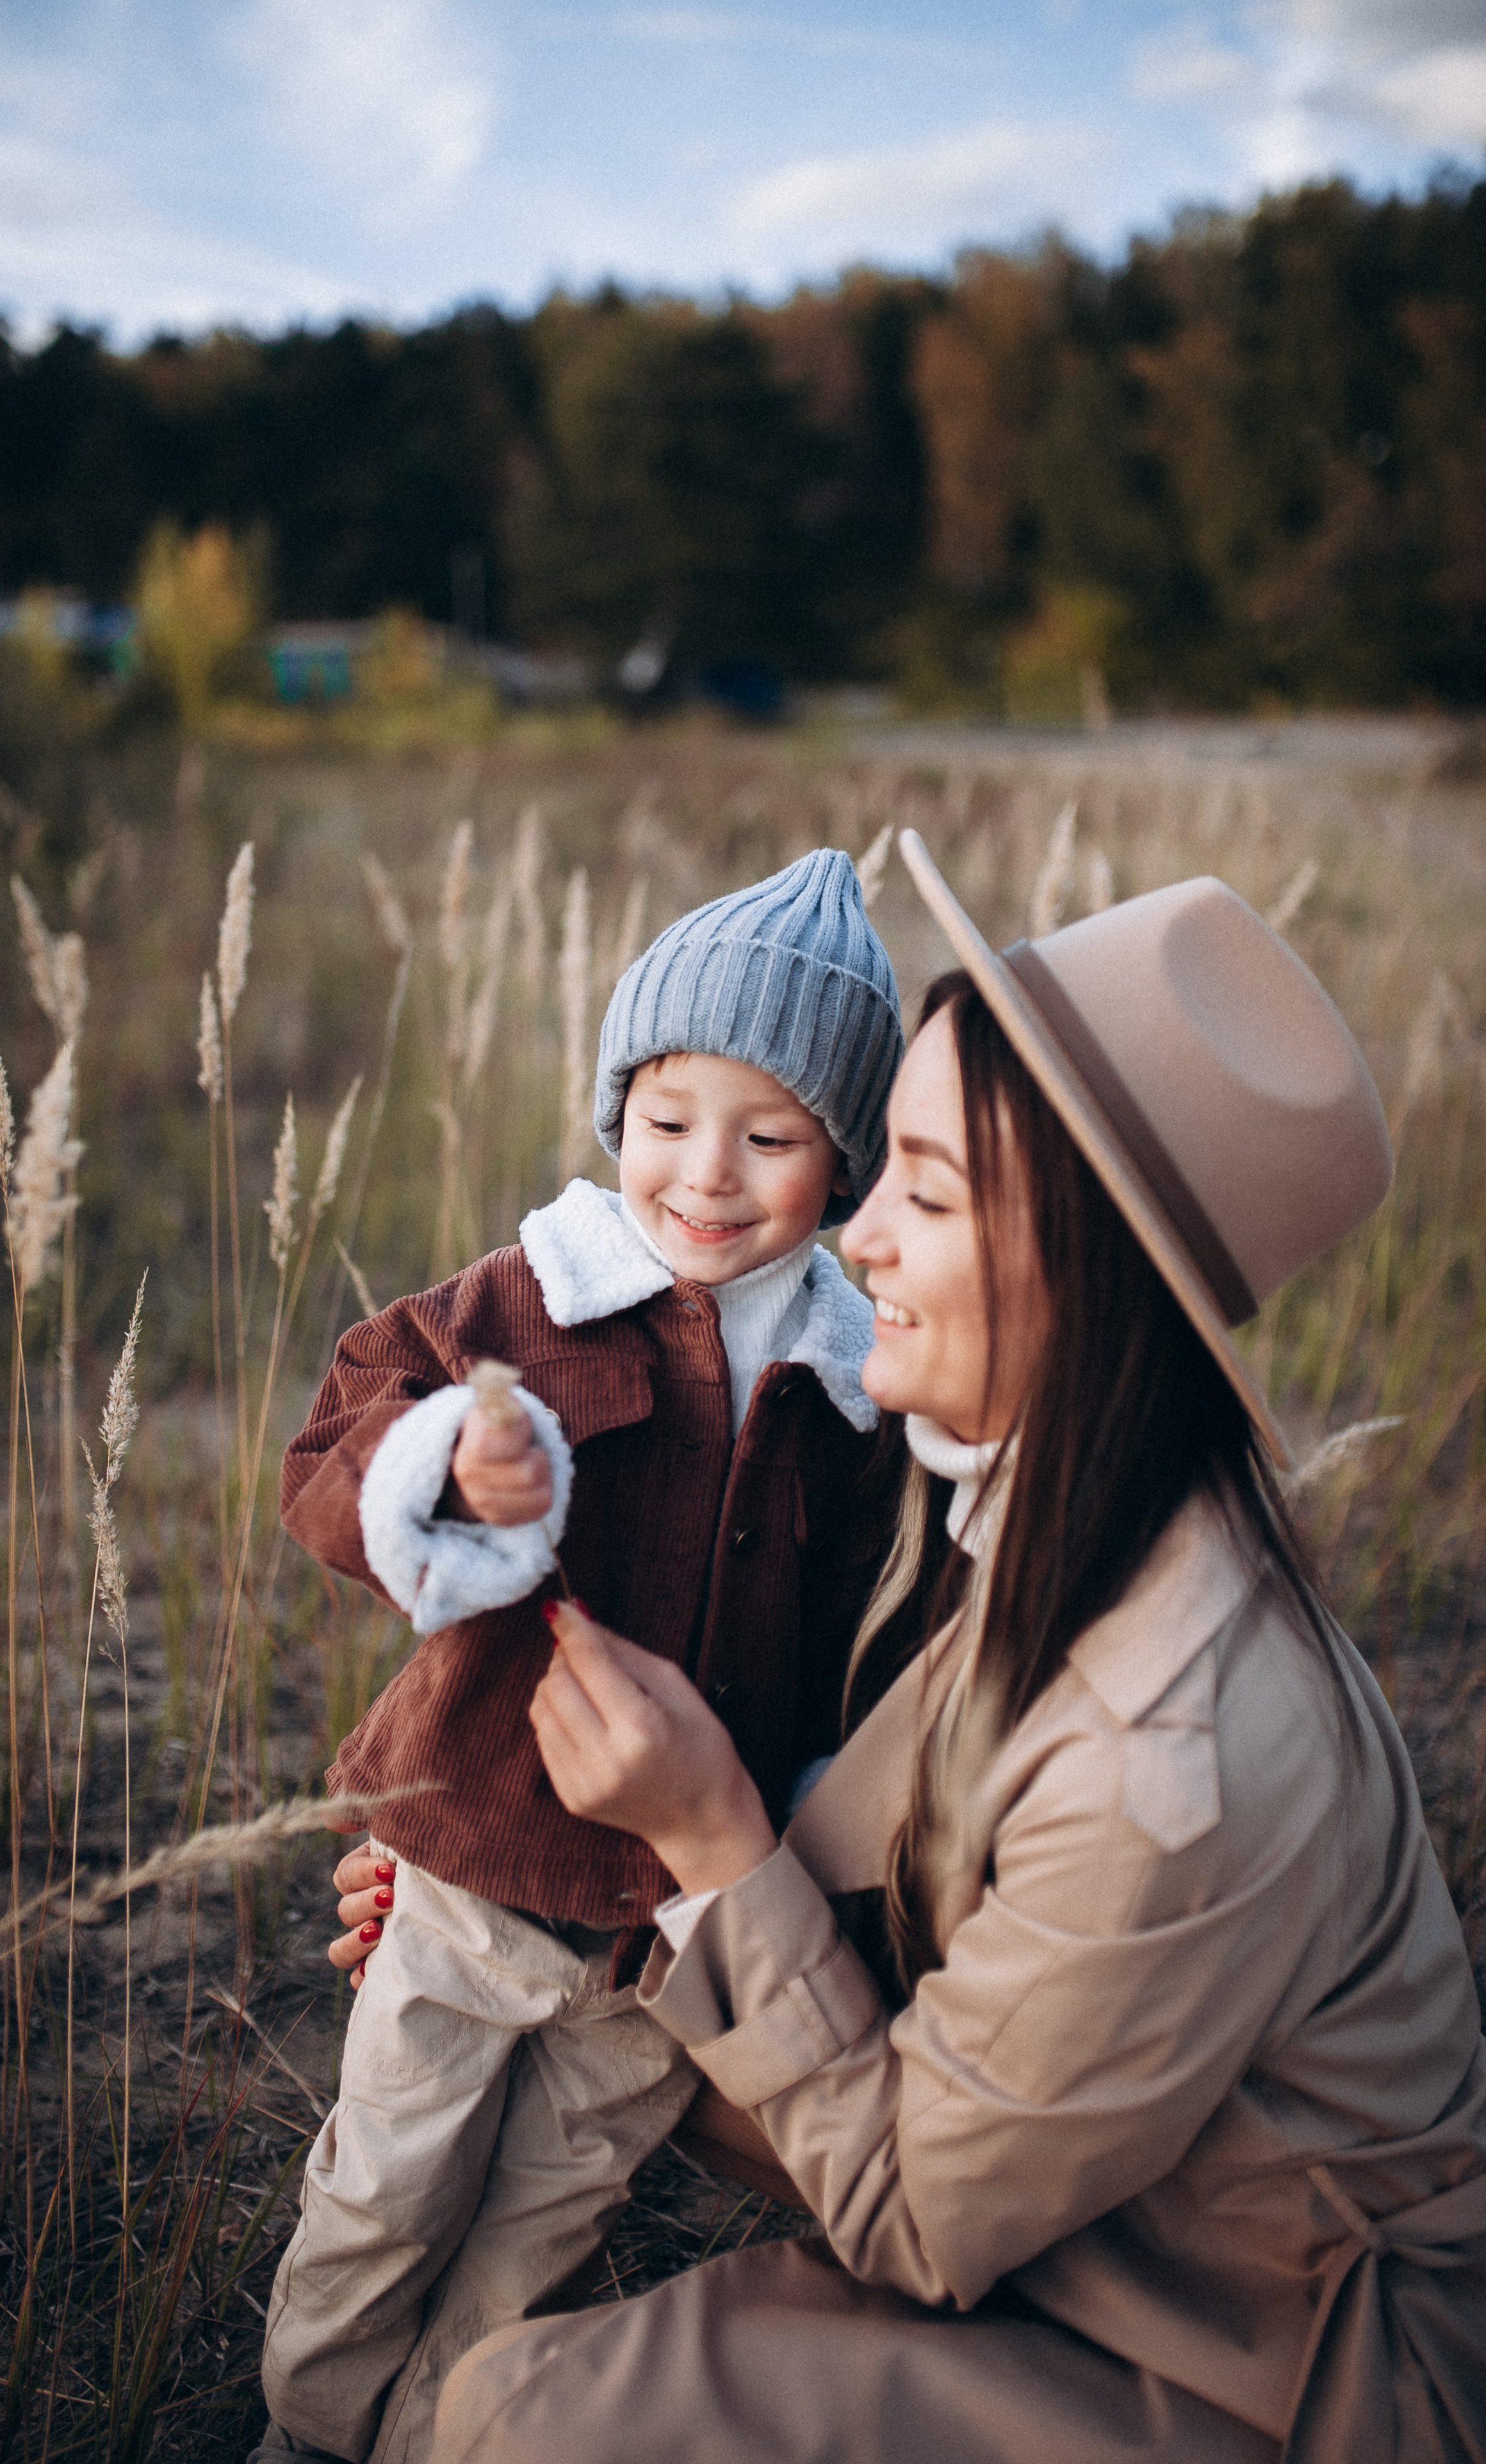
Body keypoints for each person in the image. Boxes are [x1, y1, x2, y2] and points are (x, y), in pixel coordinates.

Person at [427, 837, 1486, 2464]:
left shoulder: (1169, 1748)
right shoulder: (1027, 1528)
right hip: (1102, 2236)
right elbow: (860, 1905)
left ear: (1093, 1279)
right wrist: (515, 1874)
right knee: (504, 2401)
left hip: (1263, 2362)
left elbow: (915, 2205)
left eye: (921, 1194)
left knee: (524, 2426)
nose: (852, 1241)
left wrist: (704, 1835)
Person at [253, 849, 908, 2464]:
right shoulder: (529, 1300)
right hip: (476, 1859)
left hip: (666, 1934)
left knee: (536, 2235)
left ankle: (434, 2440)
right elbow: (332, 1442)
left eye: (770, 1136)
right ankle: (306, 2431)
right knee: (384, 2197)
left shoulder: (855, 1380)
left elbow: (871, 1634)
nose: (707, 1173)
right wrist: (440, 1468)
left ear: (844, 1158)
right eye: (670, 1118)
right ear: (620, 1106)